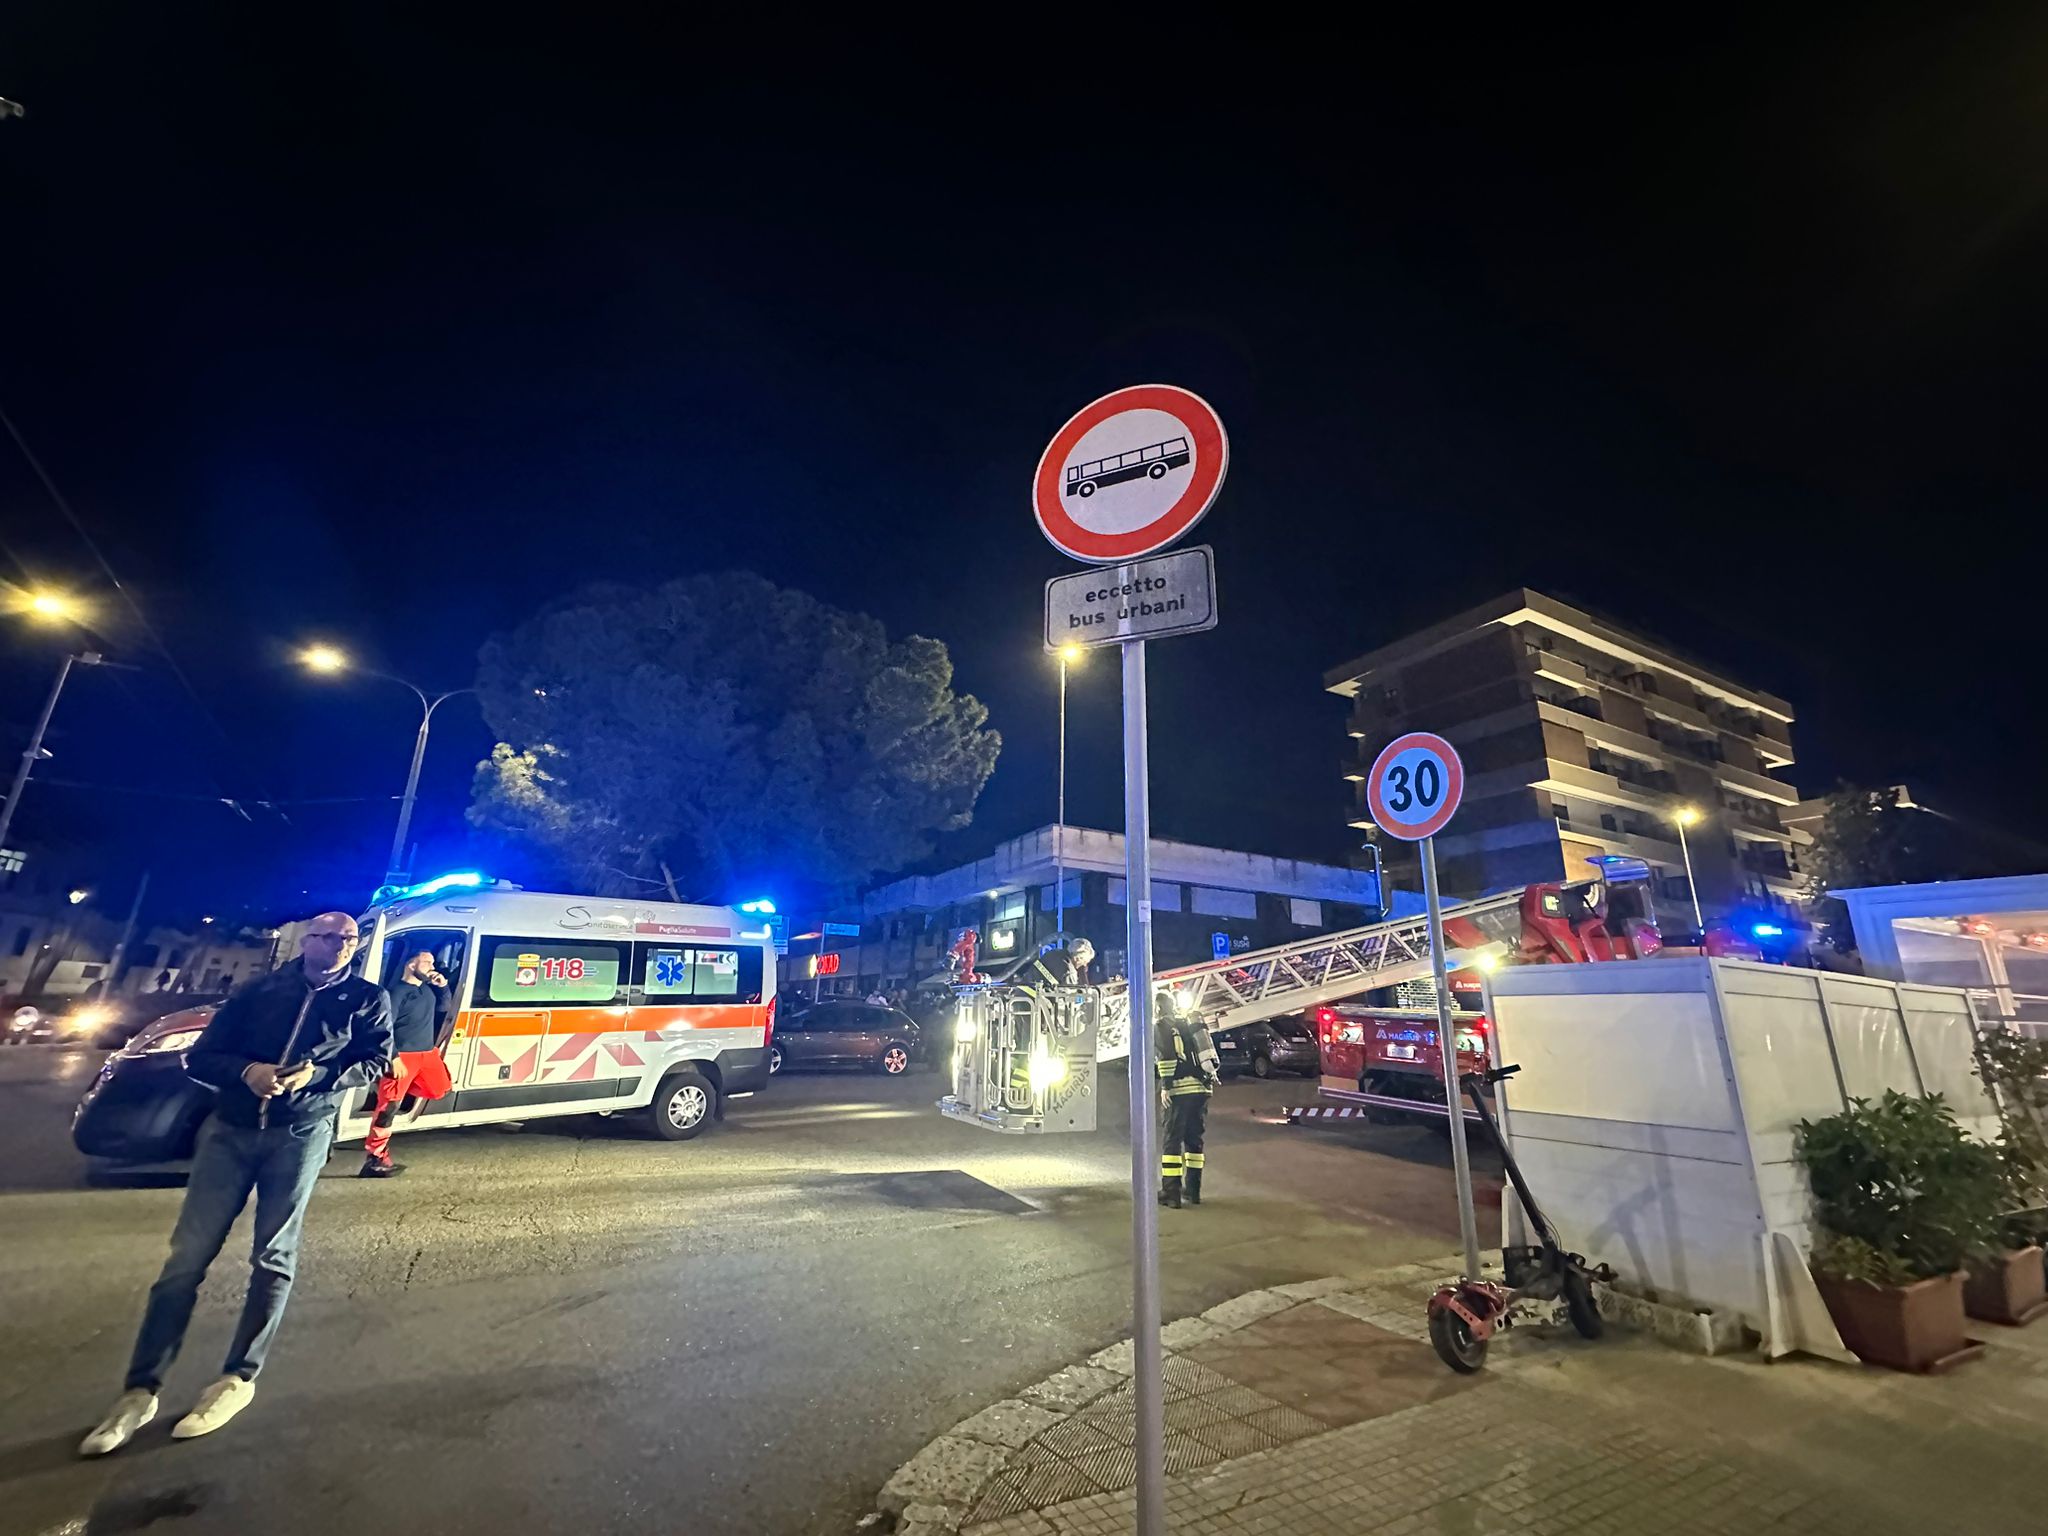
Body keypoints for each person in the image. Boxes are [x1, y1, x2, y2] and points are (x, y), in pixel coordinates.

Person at [79, 912, 392, 1456]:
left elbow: (376, 1060)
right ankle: (139, 1391)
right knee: (185, 1260)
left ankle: (236, 1378)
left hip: (300, 1132)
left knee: (274, 1255)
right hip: (230, 1132)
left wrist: (318, 1075)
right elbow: (203, 1056)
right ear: (306, 941)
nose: (341, 946)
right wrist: (248, 1073)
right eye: (329, 937)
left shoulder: (367, 998)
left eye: (349, 939)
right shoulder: (261, 990)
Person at [359, 946, 455, 1178]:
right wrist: (392, 1057)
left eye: (433, 963)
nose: (432, 967)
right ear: (411, 965)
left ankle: (389, 1087)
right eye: (427, 963)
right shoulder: (396, 993)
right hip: (403, 1057)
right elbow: (384, 1028)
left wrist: (443, 986)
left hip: (426, 1054)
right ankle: (376, 1159)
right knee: (388, 1107)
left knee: (440, 1089)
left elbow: (444, 1007)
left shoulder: (427, 990)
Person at [1154, 990, 1219, 1209]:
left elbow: (1166, 1057)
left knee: (1172, 1141)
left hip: (1180, 1091)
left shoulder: (1161, 1026)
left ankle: (1171, 1193)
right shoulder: (1187, 1024)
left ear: (1158, 1008)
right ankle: (1193, 1191)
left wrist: (1166, 1087)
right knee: (1194, 1140)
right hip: (1202, 1089)